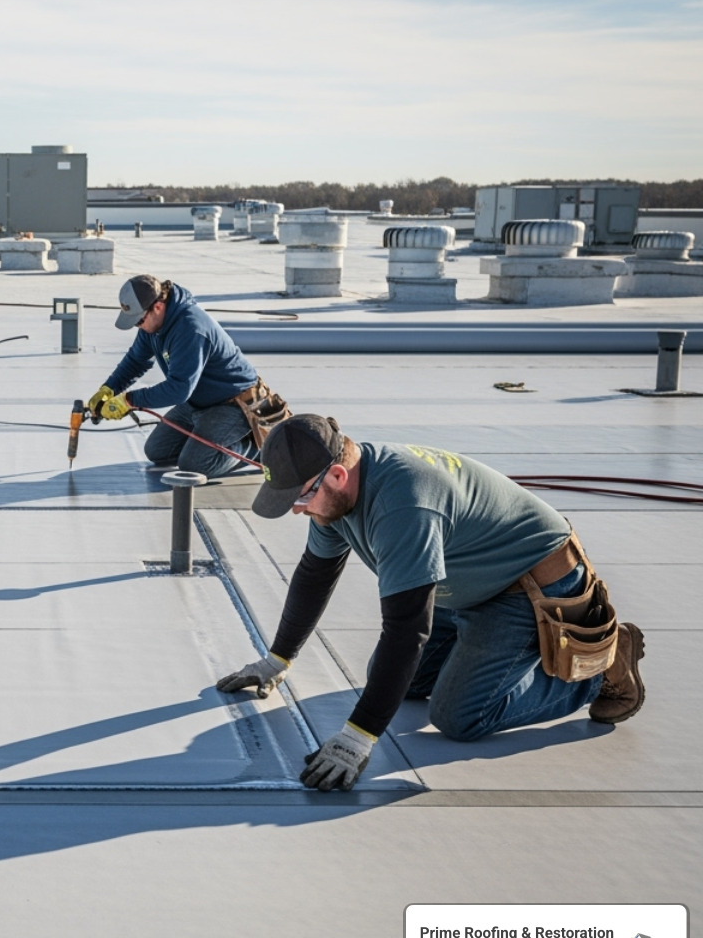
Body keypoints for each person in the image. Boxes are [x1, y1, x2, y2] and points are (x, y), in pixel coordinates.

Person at [216, 414, 646, 790]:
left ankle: (600, 671)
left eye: (301, 497)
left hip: (526, 586)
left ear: (337, 476)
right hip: (464, 583)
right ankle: (481, 656)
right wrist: (277, 660)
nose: (297, 510)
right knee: (401, 682)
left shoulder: (403, 504)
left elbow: (407, 630)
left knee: (459, 716)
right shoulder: (333, 498)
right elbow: (315, 574)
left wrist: (357, 738)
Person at [87, 274, 286, 478]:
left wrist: (129, 400)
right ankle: (210, 439)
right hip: (198, 401)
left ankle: (254, 447)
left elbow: (178, 389)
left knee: (194, 465)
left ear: (158, 307)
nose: (138, 326)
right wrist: (109, 388)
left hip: (233, 403)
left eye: (139, 320)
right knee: (157, 451)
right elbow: (136, 360)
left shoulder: (191, 328)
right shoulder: (152, 326)